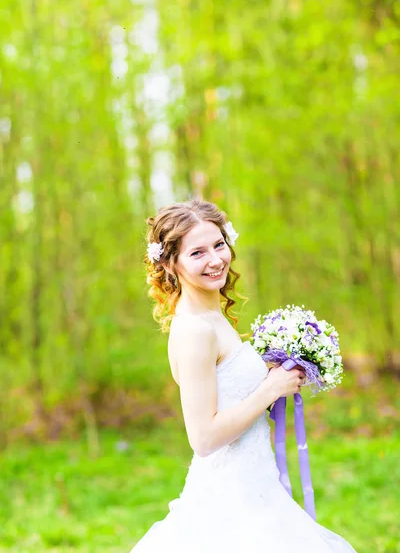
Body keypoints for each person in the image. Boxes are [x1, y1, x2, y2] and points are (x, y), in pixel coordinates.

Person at [129, 198, 358, 553]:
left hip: (254, 485)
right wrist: (269, 390)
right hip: (229, 498)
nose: (215, 259)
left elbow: (226, 389)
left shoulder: (212, 317)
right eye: (197, 252)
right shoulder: (193, 330)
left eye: (219, 245)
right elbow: (203, 438)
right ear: (171, 263)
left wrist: (271, 369)